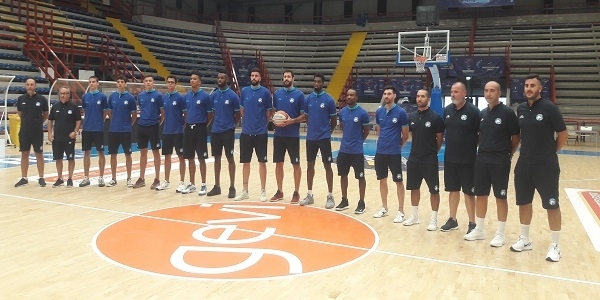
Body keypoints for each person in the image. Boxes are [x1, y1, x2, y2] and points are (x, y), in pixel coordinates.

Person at [511, 74, 567, 262]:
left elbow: (562, 134)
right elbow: (518, 135)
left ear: (540, 88)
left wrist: (551, 152)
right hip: (524, 163)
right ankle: (525, 239)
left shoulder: (550, 108)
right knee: (524, 202)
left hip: (546, 164)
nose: (528, 88)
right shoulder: (521, 108)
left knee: (552, 205)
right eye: (526, 85)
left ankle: (556, 245)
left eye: (532, 85)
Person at [463, 81, 520, 246]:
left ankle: (500, 233)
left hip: (500, 161)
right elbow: (480, 136)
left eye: (492, 90)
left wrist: (508, 153)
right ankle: (479, 230)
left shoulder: (508, 113)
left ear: (499, 93)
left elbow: (516, 138)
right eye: (486, 91)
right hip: (481, 159)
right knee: (481, 195)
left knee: (500, 197)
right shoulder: (482, 113)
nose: (488, 93)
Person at [441, 82, 480, 233]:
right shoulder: (447, 110)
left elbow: (480, 135)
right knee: (453, 190)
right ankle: (452, 219)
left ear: (464, 93)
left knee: (469, 192)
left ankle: (472, 223)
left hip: (468, 159)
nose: (453, 94)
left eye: (456, 91)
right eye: (451, 91)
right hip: (450, 158)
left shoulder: (473, 111)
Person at [403, 89, 445, 230]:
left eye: (423, 96)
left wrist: (433, 152)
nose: (420, 98)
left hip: (429, 159)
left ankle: (434, 219)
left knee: (434, 190)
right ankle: (414, 216)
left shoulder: (436, 118)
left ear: (428, 99)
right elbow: (412, 135)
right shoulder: (412, 116)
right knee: (414, 188)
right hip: (414, 158)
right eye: (418, 96)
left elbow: (440, 139)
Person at [234, 67, 273, 201]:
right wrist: (248, 123)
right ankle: (245, 191)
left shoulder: (266, 93)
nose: (254, 78)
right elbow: (242, 110)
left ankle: (263, 190)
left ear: (260, 78)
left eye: (256, 75)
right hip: (246, 133)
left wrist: (262, 124)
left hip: (261, 133)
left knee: (262, 162)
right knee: (246, 162)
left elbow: (269, 112)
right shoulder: (244, 91)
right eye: (252, 75)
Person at [299, 73, 337, 208]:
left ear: (323, 83)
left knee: (328, 166)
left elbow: (333, 121)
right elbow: (307, 118)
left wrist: (327, 132)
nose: (316, 84)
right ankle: (309, 194)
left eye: (319, 82)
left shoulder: (329, 100)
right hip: (311, 138)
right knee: (310, 165)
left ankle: (330, 196)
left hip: (324, 138)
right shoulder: (307, 99)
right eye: (314, 81)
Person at [372, 86, 409, 222]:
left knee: (398, 181)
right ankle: (384, 208)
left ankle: (401, 210)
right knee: (382, 180)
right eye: (385, 94)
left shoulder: (401, 112)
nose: (386, 96)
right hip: (380, 151)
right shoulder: (379, 112)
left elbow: (405, 134)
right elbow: (379, 130)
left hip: (394, 153)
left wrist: (398, 145)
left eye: (389, 94)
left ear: (394, 96)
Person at [271, 70, 305, 204]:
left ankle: (296, 192)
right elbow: (275, 112)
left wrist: (291, 121)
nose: (286, 78)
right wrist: (275, 119)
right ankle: (279, 191)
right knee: (278, 164)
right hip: (278, 135)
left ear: (293, 79)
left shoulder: (299, 95)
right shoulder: (277, 94)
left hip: (292, 135)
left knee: (295, 163)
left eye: (288, 77)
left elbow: (304, 116)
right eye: (284, 76)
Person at [336, 89, 369, 213]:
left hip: (357, 151)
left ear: (356, 97)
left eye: (352, 95)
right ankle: (344, 200)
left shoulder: (362, 113)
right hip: (344, 150)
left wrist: (358, 141)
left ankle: (361, 202)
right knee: (343, 175)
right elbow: (343, 127)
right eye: (348, 95)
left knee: (360, 177)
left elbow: (366, 131)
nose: (349, 97)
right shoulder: (342, 112)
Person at [207, 72, 240, 198]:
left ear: (227, 80)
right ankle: (217, 186)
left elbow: (237, 115)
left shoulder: (233, 96)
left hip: (228, 131)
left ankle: (232, 187)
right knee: (216, 158)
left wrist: (231, 125)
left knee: (230, 158)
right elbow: (212, 113)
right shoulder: (214, 95)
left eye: (222, 78)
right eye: (218, 78)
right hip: (216, 131)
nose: (219, 80)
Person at [182, 71, 213, 195]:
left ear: (199, 82)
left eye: (194, 79)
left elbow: (210, 115)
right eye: (191, 79)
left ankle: (204, 184)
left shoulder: (205, 97)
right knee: (189, 157)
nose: (192, 81)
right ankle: (192, 183)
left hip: (200, 128)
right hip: (189, 128)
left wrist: (203, 126)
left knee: (201, 157)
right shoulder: (186, 96)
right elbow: (185, 113)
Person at [14, 78, 49, 187]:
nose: (30, 86)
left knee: (39, 154)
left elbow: (46, 114)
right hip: (24, 131)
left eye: (32, 84)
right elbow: (20, 113)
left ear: (35, 86)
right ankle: (24, 178)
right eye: (28, 84)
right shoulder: (20, 99)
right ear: (25, 86)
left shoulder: (42, 99)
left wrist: (38, 123)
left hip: (37, 131)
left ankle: (41, 177)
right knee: (25, 154)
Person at [155, 76, 186, 192]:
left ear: (176, 84)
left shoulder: (180, 98)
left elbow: (185, 115)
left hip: (178, 132)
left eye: (172, 82)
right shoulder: (164, 98)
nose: (170, 84)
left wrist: (183, 127)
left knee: (181, 157)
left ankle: (182, 182)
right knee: (167, 157)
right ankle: (166, 181)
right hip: (167, 131)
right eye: (168, 82)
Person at [133, 75, 164, 189]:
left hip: (153, 126)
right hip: (142, 126)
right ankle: (141, 178)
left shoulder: (158, 95)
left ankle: (157, 179)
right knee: (143, 153)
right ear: (143, 83)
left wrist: (157, 123)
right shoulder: (140, 96)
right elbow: (142, 108)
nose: (148, 82)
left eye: (150, 81)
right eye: (146, 81)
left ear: (153, 82)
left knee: (156, 152)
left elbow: (162, 112)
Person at [47, 86, 82, 187]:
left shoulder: (74, 107)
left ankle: (70, 178)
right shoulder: (55, 106)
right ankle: (60, 178)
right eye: (61, 93)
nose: (63, 95)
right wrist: (50, 133)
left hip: (69, 138)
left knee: (70, 158)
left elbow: (78, 120)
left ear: (69, 95)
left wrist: (75, 131)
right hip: (57, 138)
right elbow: (50, 120)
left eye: (65, 93)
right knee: (58, 158)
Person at [107, 75, 137, 187]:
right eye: (118, 81)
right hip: (113, 130)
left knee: (127, 154)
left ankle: (129, 179)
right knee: (113, 155)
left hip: (125, 130)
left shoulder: (130, 98)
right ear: (116, 84)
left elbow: (134, 115)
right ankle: (113, 178)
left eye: (122, 81)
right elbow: (109, 112)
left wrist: (128, 124)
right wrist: (114, 121)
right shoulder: (112, 97)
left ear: (125, 84)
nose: (120, 83)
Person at [79, 75, 108, 187]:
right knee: (87, 153)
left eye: (93, 82)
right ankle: (86, 177)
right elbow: (85, 111)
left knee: (101, 152)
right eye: (90, 82)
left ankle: (101, 177)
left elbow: (105, 112)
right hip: (87, 128)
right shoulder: (85, 97)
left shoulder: (102, 97)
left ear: (97, 83)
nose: (91, 83)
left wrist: (100, 122)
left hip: (98, 128)